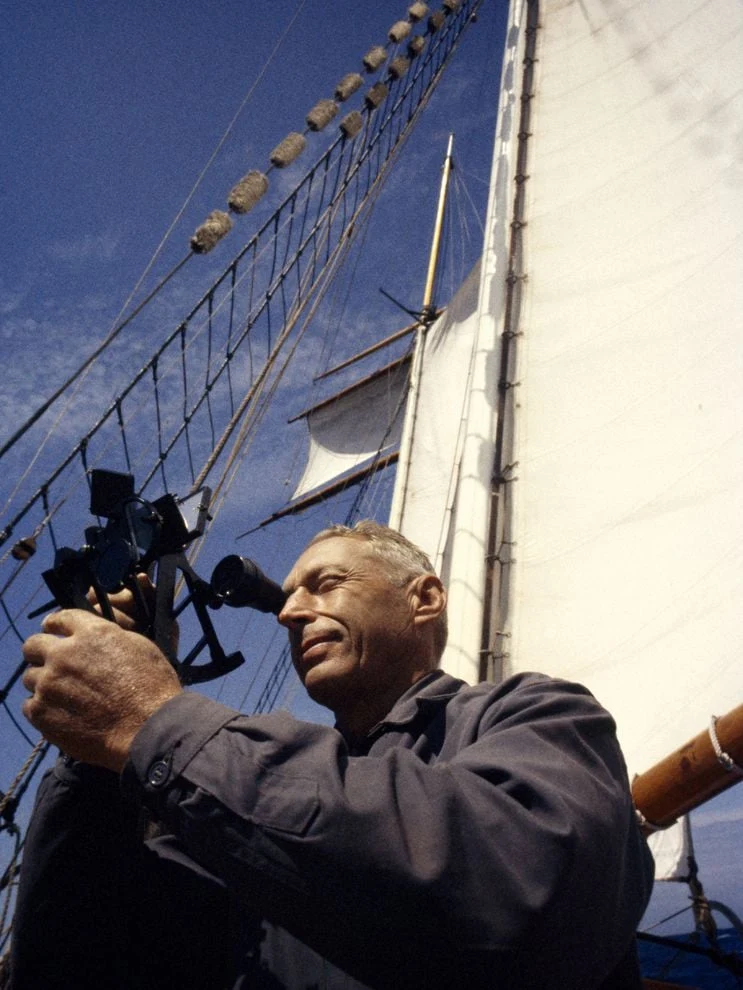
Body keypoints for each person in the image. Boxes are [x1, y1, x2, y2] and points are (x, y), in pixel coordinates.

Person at [11, 521, 653, 989]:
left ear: (424, 599)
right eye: (288, 596)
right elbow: (73, 959)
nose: (290, 611)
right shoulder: (224, 804)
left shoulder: (542, 715)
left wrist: (155, 721)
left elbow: (517, 897)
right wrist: (98, 760)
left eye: (325, 584)